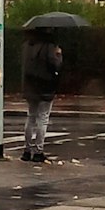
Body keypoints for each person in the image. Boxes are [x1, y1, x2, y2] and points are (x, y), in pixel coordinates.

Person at [21, 29, 62, 163]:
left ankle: (26, 150)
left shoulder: (27, 45)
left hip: (30, 85)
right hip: (45, 86)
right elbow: (55, 64)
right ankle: (38, 151)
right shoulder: (49, 47)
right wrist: (59, 55)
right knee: (42, 118)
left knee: (31, 117)